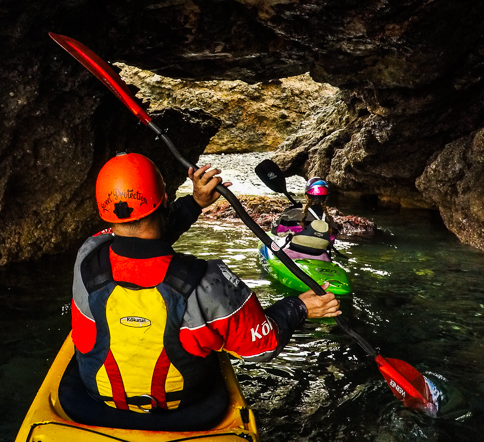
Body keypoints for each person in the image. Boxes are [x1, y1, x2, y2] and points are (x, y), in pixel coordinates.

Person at [69, 152, 340, 418]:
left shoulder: (87, 253)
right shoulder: (208, 282)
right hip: (184, 405)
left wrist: (195, 203)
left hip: (97, 397)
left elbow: (138, 240)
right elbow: (262, 348)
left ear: (104, 211)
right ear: (164, 199)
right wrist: (300, 307)